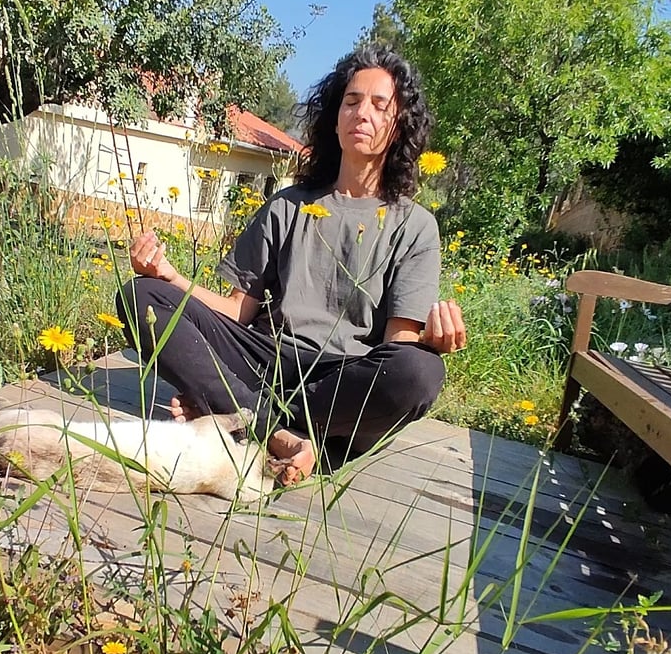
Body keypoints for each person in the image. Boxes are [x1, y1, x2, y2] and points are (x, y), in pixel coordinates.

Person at [116, 45, 466, 487]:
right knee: (141, 296)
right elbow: (237, 311)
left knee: (421, 372)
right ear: (335, 118)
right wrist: (170, 276)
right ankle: (282, 433)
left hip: (339, 380)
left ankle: (235, 411)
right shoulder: (288, 206)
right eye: (352, 101)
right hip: (263, 361)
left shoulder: (415, 226)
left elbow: (399, 344)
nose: (362, 113)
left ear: (399, 127)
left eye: (380, 106)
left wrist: (431, 344)